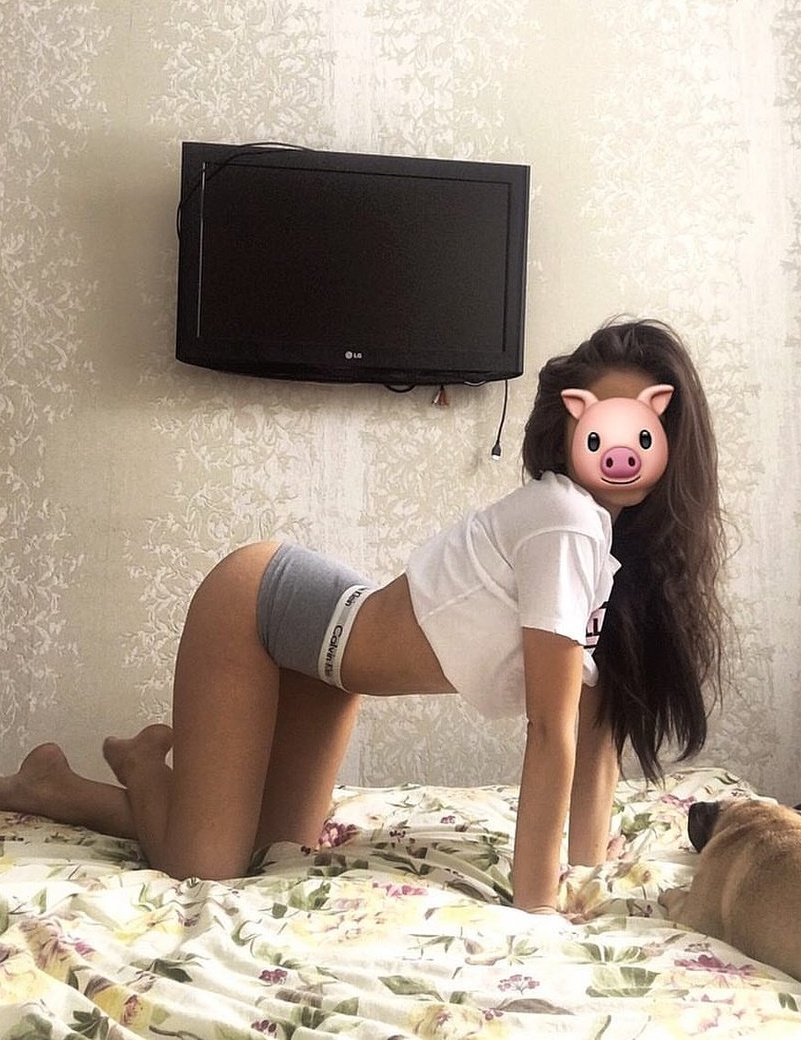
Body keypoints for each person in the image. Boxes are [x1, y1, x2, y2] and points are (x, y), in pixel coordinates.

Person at [0, 318, 727, 912]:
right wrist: (537, 909)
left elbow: (596, 725)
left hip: (334, 652)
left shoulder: (608, 553)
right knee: (205, 869)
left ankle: (52, 786)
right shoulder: (563, 520)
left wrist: (588, 869)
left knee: (268, 850)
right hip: (256, 607)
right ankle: (139, 762)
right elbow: (550, 729)